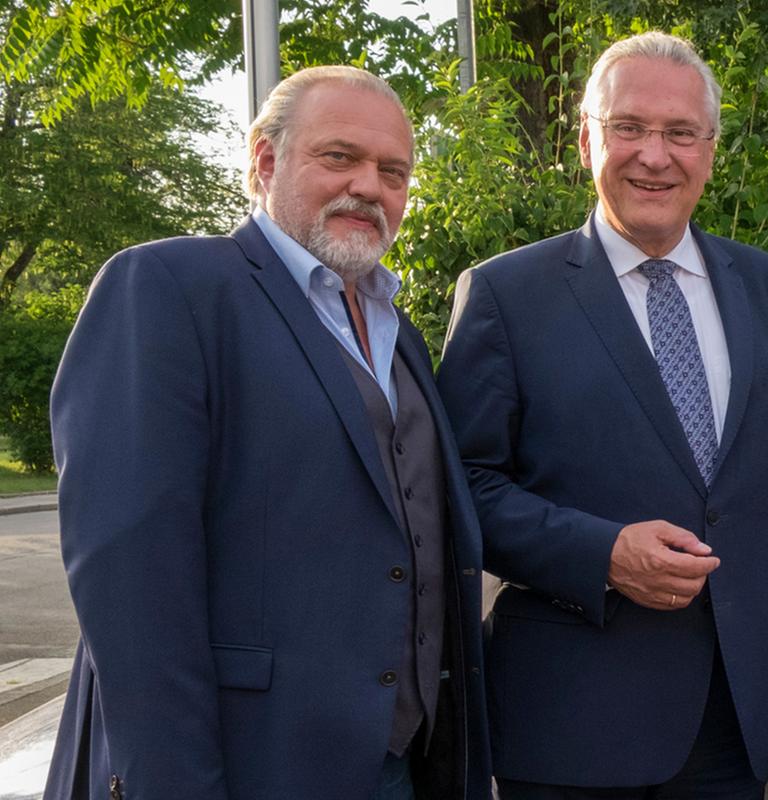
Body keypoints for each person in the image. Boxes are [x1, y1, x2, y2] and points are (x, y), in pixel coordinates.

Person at [44, 66, 490, 800]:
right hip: (248, 763)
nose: (369, 187)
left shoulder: (399, 331)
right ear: (265, 161)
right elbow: (132, 587)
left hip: (403, 761)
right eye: (339, 156)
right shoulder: (168, 287)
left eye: (393, 171)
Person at [436, 31, 768, 799]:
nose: (655, 155)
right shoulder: (505, 296)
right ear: (587, 141)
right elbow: (461, 490)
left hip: (736, 719)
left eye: (681, 132)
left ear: (710, 151)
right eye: (629, 128)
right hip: (570, 723)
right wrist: (602, 552)